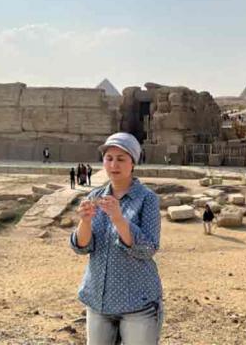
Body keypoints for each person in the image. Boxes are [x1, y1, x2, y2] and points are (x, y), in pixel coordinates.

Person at [70, 132, 164, 344]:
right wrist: (84, 221)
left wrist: (118, 218)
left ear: (133, 163)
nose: (114, 164)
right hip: (98, 301)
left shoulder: (147, 199)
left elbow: (148, 248)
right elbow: (82, 247)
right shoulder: (94, 196)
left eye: (121, 159)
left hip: (137, 304)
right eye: (109, 158)